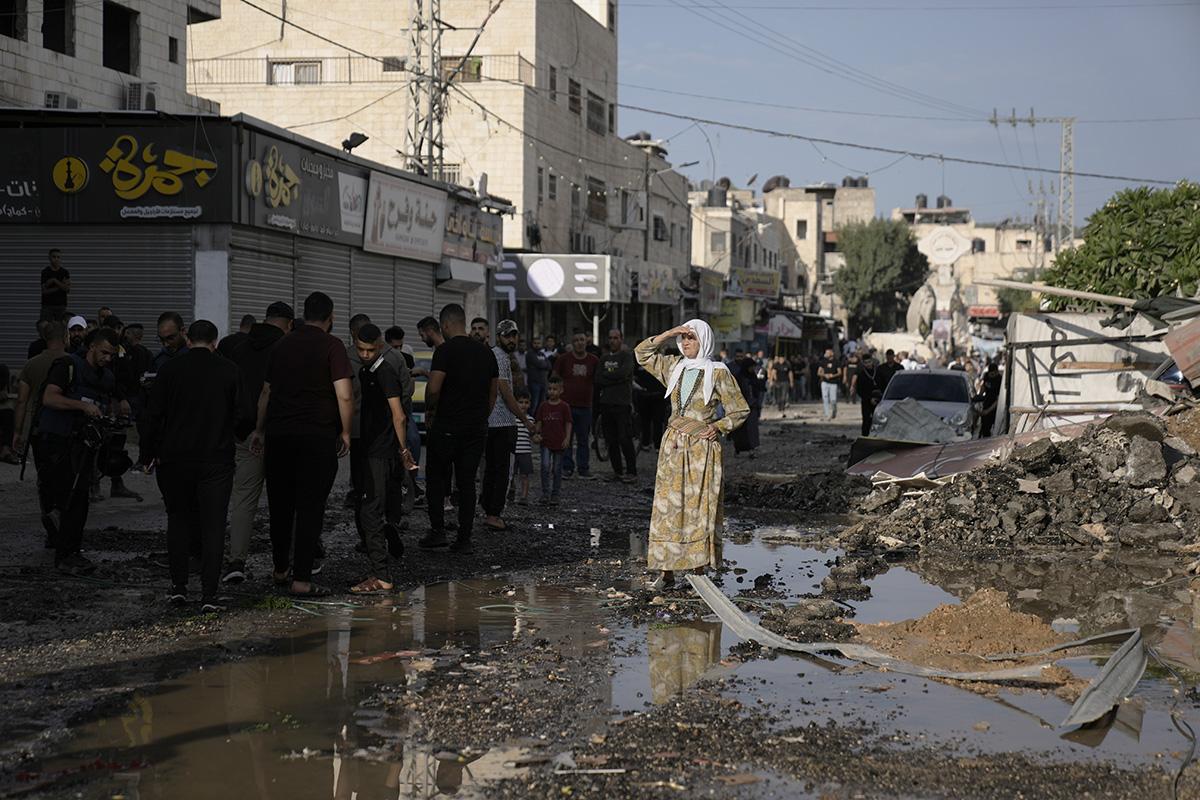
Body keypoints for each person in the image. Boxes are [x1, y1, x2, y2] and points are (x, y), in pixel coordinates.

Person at [250, 292, 353, 598]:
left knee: (280, 505)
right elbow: (345, 394)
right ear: (330, 316)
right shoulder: (333, 346)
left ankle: (280, 569)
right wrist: (345, 432)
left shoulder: (281, 345)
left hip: (280, 435)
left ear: (303, 314)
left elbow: (266, 392)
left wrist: (259, 430)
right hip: (317, 437)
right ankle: (302, 579)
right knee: (310, 508)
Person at [635, 320, 749, 591]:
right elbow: (641, 354)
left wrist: (717, 427)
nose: (685, 343)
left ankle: (697, 571)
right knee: (667, 507)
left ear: (705, 341)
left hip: (701, 449)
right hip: (673, 446)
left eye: (691, 338)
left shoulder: (718, 373)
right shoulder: (674, 367)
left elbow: (740, 410)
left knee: (698, 506)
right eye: (683, 339)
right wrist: (667, 333)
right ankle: (666, 573)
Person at [141, 320, 238, 611]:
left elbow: (152, 415)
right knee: (213, 525)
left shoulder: (170, 369)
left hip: (175, 458)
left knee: (178, 520)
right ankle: (209, 593)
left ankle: (178, 588)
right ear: (214, 341)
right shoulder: (229, 370)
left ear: (188, 337)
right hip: (216, 458)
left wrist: (148, 453)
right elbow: (243, 414)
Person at [35, 327, 123, 574]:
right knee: (68, 497)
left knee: (79, 498)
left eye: (112, 354)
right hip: (58, 441)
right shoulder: (67, 366)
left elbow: (107, 403)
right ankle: (64, 554)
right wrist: (81, 407)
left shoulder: (106, 377)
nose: (108, 358)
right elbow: (50, 398)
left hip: (84, 445)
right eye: (104, 352)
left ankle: (69, 550)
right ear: (92, 347)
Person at [420, 303, 498, 554]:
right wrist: (480, 416)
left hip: (446, 426)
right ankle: (464, 538)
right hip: (475, 428)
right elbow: (493, 393)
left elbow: (433, 389)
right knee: (466, 482)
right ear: (463, 323)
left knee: (436, 478)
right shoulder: (487, 353)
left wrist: (431, 410)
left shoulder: (444, 351)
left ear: (444, 325)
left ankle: (438, 531)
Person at [224, 301, 293, 584]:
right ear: (288, 324)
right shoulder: (287, 350)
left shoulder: (238, 349)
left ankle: (236, 560)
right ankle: (283, 564)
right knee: (284, 500)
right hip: (276, 434)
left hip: (243, 434)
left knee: (243, 498)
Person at [349, 323, 413, 595]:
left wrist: (403, 450)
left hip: (382, 452)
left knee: (370, 512)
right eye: (360, 350)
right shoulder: (368, 372)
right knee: (373, 509)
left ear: (379, 345)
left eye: (370, 350)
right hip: (372, 448)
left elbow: (398, 414)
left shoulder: (385, 371)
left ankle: (382, 576)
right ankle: (380, 568)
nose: (364, 354)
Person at [483, 319, 536, 533]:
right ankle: (494, 514)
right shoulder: (499, 357)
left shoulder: (501, 356)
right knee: (501, 471)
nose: (512, 339)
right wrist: (524, 420)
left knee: (493, 470)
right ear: (499, 337)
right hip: (501, 423)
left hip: (495, 423)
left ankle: (489, 511)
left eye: (514, 335)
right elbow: (504, 391)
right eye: (507, 335)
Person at [14, 322, 67, 532]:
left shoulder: (31, 364)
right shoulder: (72, 362)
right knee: (65, 476)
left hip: (39, 430)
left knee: (44, 478)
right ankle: (61, 516)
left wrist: (18, 432)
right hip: (65, 429)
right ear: (65, 337)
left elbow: (21, 401)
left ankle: (49, 518)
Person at [553, 331, 599, 479]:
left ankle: (583, 468)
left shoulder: (593, 360)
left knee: (583, 439)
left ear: (586, 342)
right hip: (566, 406)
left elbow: (598, 380)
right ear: (572, 343)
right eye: (576, 340)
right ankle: (567, 468)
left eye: (582, 340)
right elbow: (554, 377)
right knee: (566, 438)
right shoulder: (563, 359)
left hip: (585, 405)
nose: (579, 342)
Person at [596, 329, 638, 483]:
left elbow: (624, 373)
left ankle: (632, 472)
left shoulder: (626, 356)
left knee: (625, 439)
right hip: (606, 403)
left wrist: (609, 377)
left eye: (616, 338)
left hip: (622, 404)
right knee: (611, 440)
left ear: (621, 339)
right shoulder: (604, 358)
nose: (613, 340)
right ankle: (618, 471)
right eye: (610, 338)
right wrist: (614, 379)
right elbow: (598, 378)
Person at [535, 375, 571, 505]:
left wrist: (567, 438)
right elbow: (539, 422)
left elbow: (568, 423)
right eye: (550, 389)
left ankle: (555, 494)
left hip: (559, 442)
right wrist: (536, 433)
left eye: (555, 389)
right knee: (544, 467)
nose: (552, 391)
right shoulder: (543, 406)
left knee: (557, 469)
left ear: (561, 390)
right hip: (546, 442)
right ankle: (545, 493)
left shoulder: (564, 407)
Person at [732, 351, 764, 457]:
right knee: (740, 430)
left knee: (752, 429)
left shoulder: (752, 376)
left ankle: (752, 449)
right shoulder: (739, 377)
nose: (752, 369)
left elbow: (758, 389)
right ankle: (738, 449)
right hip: (741, 407)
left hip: (752, 406)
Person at [633, 359, 668, 453]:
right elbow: (634, 377)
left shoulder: (661, 362)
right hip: (644, 396)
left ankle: (657, 444)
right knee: (645, 421)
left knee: (657, 422)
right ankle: (646, 443)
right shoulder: (639, 363)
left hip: (658, 396)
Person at [851, 350, 883, 437]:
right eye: (865, 363)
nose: (868, 364)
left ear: (872, 361)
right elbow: (860, 390)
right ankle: (865, 436)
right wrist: (869, 398)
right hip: (866, 400)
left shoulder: (878, 372)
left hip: (878, 400)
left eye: (869, 362)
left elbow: (882, 385)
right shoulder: (862, 374)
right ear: (863, 363)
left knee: (878, 419)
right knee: (866, 420)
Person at [512, 387, 534, 506]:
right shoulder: (512, 419)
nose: (523, 405)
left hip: (525, 452)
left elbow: (532, 435)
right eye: (520, 402)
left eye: (526, 402)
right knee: (512, 475)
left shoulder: (530, 420)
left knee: (524, 475)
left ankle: (524, 496)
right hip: (513, 451)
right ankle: (512, 492)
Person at [40, 248, 70, 321]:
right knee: (46, 328)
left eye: (58, 257)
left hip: (61, 305)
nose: (56, 259)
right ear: (49, 258)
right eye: (54, 257)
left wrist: (54, 280)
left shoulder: (64, 272)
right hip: (47, 305)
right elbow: (44, 291)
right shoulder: (45, 272)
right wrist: (61, 286)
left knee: (61, 328)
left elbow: (67, 289)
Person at [525, 334, 550, 412]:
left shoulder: (542, 354)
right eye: (535, 343)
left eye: (538, 343)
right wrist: (543, 364)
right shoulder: (530, 354)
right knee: (534, 404)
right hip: (534, 383)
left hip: (543, 382)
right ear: (532, 344)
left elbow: (549, 365)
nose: (537, 345)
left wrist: (542, 364)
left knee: (542, 404)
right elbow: (539, 364)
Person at [978, 360, 1002, 438]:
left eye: (993, 373)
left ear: (997, 372)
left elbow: (998, 399)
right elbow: (983, 387)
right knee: (985, 428)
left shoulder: (1000, 380)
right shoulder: (986, 376)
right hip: (987, 402)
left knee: (995, 428)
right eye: (990, 373)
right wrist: (979, 397)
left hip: (995, 406)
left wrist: (987, 411)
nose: (991, 375)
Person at [817, 347, 840, 420]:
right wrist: (824, 375)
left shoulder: (836, 362)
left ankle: (834, 411)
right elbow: (818, 372)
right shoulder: (823, 361)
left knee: (833, 399)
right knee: (825, 397)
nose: (825, 354)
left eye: (827, 353)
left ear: (831, 353)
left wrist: (833, 375)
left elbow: (840, 372)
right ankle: (827, 414)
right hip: (824, 382)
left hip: (833, 383)